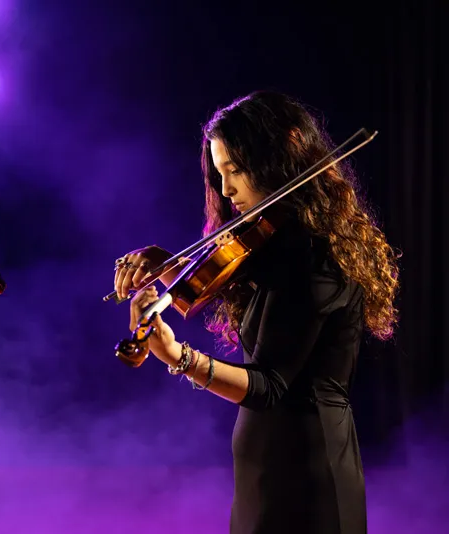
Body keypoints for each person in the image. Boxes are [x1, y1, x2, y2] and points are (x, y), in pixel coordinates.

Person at [113, 91, 399, 534]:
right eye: (220, 173)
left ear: (280, 158)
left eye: (236, 170)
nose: (226, 190)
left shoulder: (315, 258)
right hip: (264, 473)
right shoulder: (278, 249)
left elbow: (269, 386)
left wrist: (179, 357)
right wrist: (167, 265)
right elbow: (240, 295)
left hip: (310, 476)